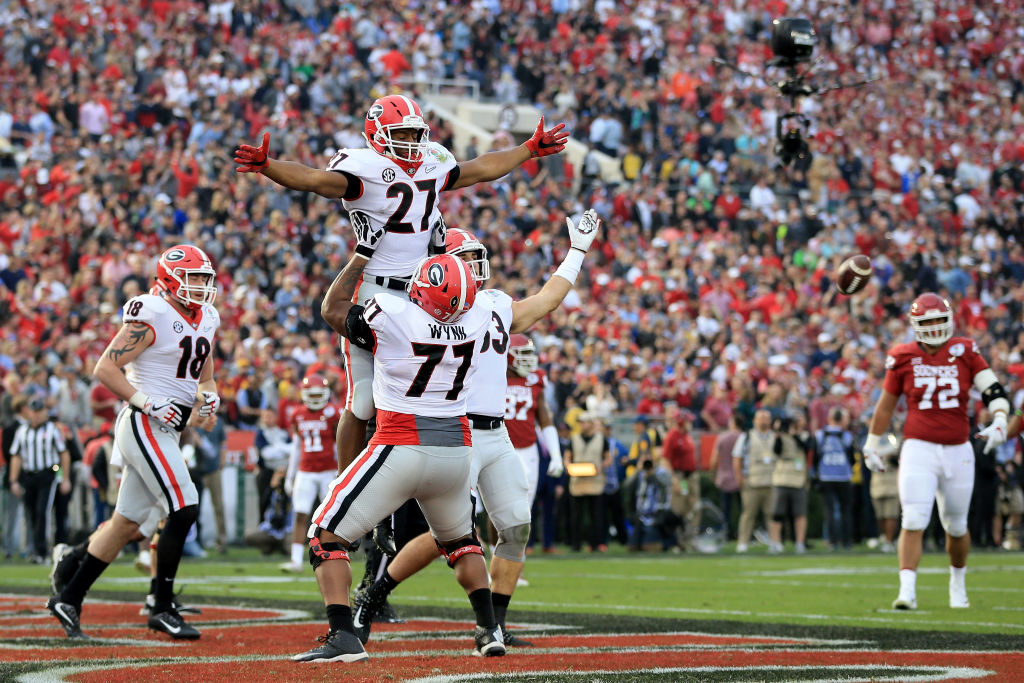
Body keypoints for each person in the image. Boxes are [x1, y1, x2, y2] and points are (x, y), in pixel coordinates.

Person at [234, 95, 568, 476]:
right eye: (402, 133)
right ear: (377, 135)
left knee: (426, 395)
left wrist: (527, 150)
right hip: (376, 290)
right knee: (363, 400)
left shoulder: (432, 161)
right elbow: (315, 180)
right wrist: (268, 166)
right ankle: (345, 490)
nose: (410, 142)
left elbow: (478, 169)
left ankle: (419, 488)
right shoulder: (364, 166)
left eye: (415, 133)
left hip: (422, 296)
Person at [345, 211, 600, 648]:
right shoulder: (420, 311)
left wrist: (576, 251)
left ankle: (493, 624)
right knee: (450, 535)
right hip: (453, 430)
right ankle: (372, 596)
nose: (473, 265)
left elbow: (545, 301)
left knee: (516, 525)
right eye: (462, 257)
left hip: (496, 433)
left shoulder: (496, 303)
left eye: (474, 257)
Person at [294, 249, 497, 663]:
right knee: (462, 542)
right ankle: (489, 629)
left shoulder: (392, 314)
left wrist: (361, 258)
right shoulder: (480, 320)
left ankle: (342, 636)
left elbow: (332, 309)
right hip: (456, 452)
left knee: (323, 533)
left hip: (402, 445)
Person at [46, 245, 221, 640]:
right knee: (184, 506)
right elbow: (104, 367)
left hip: (168, 426)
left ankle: (69, 596)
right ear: (169, 278)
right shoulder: (153, 311)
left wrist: (209, 397)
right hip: (143, 423)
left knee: (126, 524)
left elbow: (204, 375)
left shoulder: (208, 317)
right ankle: (161, 606)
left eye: (204, 278)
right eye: (193, 277)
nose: (200, 286)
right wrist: (146, 400)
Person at [862, 293, 1011, 610]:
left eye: (937, 320)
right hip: (919, 447)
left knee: (956, 525)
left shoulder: (965, 350)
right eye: (926, 321)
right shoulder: (903, 356)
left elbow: (993, 389)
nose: (932, 327)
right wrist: (871, 442)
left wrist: (1000, 418)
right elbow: (886, 407)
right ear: (915, 325)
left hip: (958, 449)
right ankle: (907, 591)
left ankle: (957, 585)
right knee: (913, 518)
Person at [280, 374, 341, 573]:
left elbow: (339, 444)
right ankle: (296, 560)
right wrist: (291, 475)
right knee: (300, 514)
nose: (315, 399)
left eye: (318, 395)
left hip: (328, 470)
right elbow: (296, 446)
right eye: (311, 395)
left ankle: (332, 554)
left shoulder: (333, 412)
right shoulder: (297, 413)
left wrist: (341, 471)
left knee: (331, 517)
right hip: (305, 471)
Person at [8, 396, 70, 563]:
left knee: (43, 511)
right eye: (34, 411)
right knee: (31, 513)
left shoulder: (52, 429)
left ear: (45, 412)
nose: (36, 415)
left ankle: (42, 552)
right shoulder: (22, 431)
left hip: (47, 474)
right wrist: (13, 480)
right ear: (29, 412)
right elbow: (16, 456)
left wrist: (64, 478)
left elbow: (63, 454)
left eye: (40, 411)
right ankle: (35, 549)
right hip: (29, 476)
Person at [732, 409, 778, 553]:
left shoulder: (775, 437)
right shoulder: (746, 437)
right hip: (752, 481)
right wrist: (740, 478)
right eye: (761, 418)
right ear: (755, 421)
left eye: (766, 418)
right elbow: (737, 458)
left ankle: (774, 542)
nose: (763, 421)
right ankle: (743, 542)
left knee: (772, 514)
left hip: (771, 481)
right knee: (748, 514)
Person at [814, 408, 855, 551]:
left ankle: (832, 541)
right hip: (843, 476)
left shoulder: (820, 435)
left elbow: (815, 456)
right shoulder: (847, 436)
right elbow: (852, 457)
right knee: (846, 510)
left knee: (829, 511)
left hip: (826, 476)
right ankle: (847, 541)